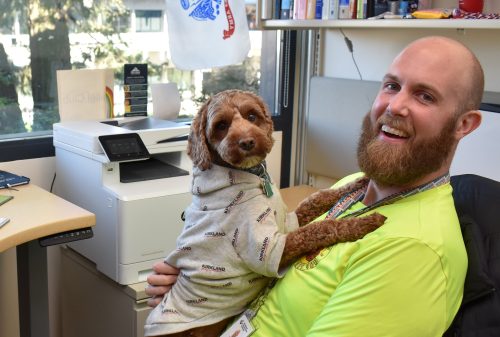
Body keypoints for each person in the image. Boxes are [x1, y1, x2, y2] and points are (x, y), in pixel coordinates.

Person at [145, 36, 484, 336]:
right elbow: (263, 238)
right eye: (392, 86)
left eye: (425, 96)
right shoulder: (356, 184)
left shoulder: (413, 251)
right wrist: (199, 283)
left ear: (464, 124)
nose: (395, 105)